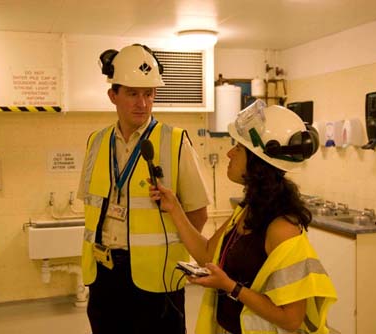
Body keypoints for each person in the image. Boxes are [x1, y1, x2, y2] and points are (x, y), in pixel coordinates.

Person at [150, 100, 338, 334]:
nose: (229, 153)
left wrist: (230, 287)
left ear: (259, 162)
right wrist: (175, 208)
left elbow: (291, 319)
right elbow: (207, 254)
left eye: (237, 148)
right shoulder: (248, 210)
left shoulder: (282, 229)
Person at [77, 43, 211, 334]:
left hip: (157, 278)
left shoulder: (175, 142)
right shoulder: (96, 141)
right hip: (104, 274)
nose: (142, 103)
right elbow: (90, 204)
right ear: (113, 95)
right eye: (133, 93)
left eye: (148, 94)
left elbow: (198, 214)